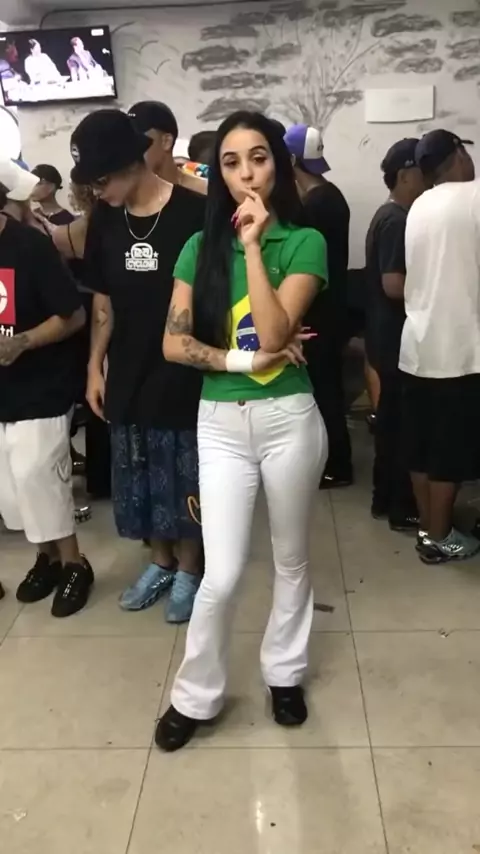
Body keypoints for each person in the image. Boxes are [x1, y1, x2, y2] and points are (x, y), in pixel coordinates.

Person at [156, 110, 328, 752]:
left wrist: (254, 245)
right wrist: (242, 361)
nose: (246, 174)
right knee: (222, 572)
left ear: (277, 165)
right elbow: (174, 344)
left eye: (258, 158)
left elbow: (277, 331)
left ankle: (284, 673)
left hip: (288, 419)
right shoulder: (197, 248)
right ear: (219, 173)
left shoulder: (304, 242)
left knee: (291, 557)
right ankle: (194, 694)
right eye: (231, 162)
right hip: (221, 424)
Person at [72, 109, 206, 622]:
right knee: (141, 469)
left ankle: (191, 568)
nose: (96, 192)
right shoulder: (105, 220)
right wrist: (94, 366)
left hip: (182, 367)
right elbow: (103, 302)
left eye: (101, 181)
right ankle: (161, 560)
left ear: (130, 164)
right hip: (128, 368)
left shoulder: (195, 213)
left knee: (183, 471)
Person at [0, 158, 94, 617]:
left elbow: (73, 316)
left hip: (40, 385)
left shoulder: (29, 247)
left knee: (40, 477)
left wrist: (23, 342)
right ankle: (47, 558)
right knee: (12, 488)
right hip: (3, 391)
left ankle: (74, 562)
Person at [400, 130, 480, 564]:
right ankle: (440, 536)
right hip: (459, 350)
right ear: (458, 155)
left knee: (421, 446)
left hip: (417, 345)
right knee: (450, 450)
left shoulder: (419, 205)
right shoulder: (473, 197)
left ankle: (429, 527)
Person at [285, 123, 353, 489]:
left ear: (292, 159)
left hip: (320, 312)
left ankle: (336, 465)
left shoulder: (317, 204)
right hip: (331, 307)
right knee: (326, 389)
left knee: (324, 392)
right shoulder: (329, 195)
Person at [365, 138, 425, 531]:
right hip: (394, 338)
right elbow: (393, 284)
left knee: (390, 424)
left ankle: (385, 500)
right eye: (423, 171)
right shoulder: (397, 221)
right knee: (403, 427)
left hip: (385, 336)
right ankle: (403, 506)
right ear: (405, 175)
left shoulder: (389, 215)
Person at [128, 101, 208, 196]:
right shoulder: (124, 196)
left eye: (139, 141)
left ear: (166, 142)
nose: (130, 150)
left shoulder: (204, 192)